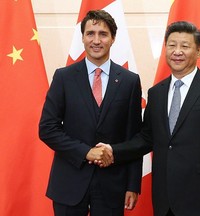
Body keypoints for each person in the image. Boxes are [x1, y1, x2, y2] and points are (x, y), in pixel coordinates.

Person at [96, 21, 200, 216]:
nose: (177, 51)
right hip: (164, 196)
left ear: (198, 51)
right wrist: (113, 149)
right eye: (172, 45)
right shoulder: (156, 92)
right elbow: (146, 138)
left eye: (185, 46)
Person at [39, 10, 143, 216]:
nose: (96, 40)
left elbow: (134, 137)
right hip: (69, 182)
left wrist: (133, 184)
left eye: (103, 34)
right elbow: (47, 129)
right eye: (90, 33)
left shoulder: (130, 81)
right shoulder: (64, 77)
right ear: (83, 38)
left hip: (112, 185)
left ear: (113, 38)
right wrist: (86, 152)